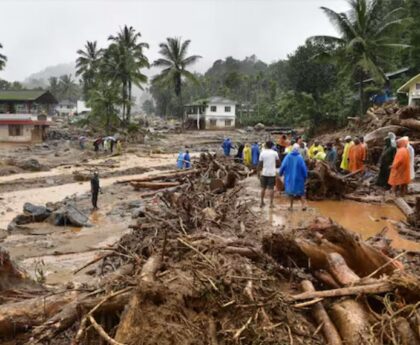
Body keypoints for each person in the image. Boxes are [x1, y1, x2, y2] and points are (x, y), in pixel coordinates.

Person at [279, 143, 308, 211]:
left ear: (292, 149)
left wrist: (280, 173)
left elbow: (283, 166)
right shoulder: (300, 157)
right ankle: (303, 205)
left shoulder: (288, 156)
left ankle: (291, 206)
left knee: (291, 192)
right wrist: (305, 176)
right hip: (299, 177)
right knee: (301, 191)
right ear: (298, 150)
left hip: (289, 177)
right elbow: (303, 168)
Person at [258, 141, 280, 208]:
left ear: (266, 146)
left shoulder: (262, 153)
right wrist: (274, 165)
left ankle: (261, 202)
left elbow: (260, 164)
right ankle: (271, 204)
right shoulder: (275, 153)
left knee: (263, 188)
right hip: (272, 173)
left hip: (264, 173)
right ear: (272, 146)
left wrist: (258, 171)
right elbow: (278, 162)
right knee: (271, 189)